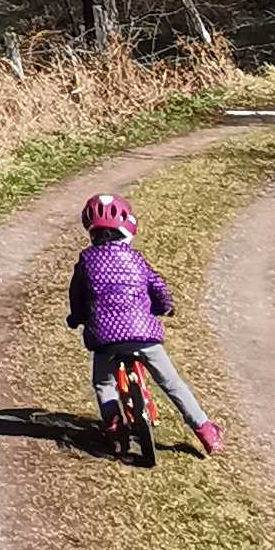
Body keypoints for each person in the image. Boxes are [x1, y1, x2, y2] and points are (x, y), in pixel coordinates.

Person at [65, 191, 223, 458]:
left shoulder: (86, 261)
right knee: (171, 382)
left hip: (105, 338)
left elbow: (77, 295)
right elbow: (157, 287)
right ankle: (206, 432)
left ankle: (115, 431)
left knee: (104, 384)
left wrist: (77, 317)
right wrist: (165, 307)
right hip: (143, 334)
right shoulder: (136, 259)